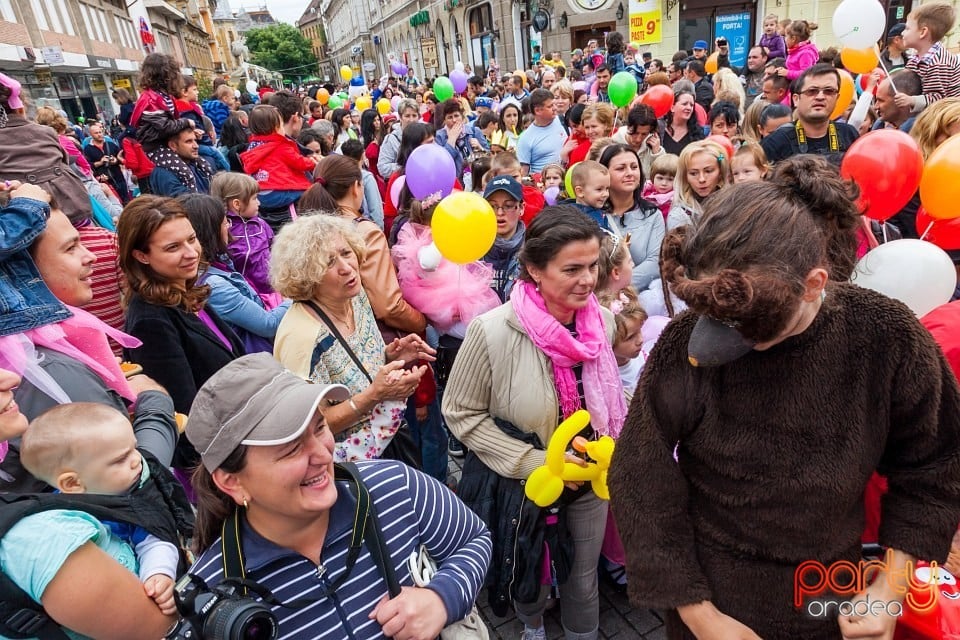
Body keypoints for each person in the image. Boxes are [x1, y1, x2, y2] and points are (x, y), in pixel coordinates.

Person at [608, 180, 960, 640]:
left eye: (746, 327)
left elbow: (934, 469)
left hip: (829, 594)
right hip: (711, 593)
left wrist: (888, 592)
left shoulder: (887, 337)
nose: (714, 339)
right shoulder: (684, 340)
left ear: (813, 285)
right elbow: (639, 473)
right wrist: (700, 617)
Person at [182, 353, 490, 639]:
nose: (322, 454)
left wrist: (442, 597)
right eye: (290, 448)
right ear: (232, 482)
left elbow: (474, 539)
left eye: (319, 428)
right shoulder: (215, 600)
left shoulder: (394, 486)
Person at [443, 205, 625, 640]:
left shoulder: (603, 322)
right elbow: (461, 412)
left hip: (589, 482)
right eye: (572, 269)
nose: (588, 279)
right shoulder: (491, 332)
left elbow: (608, 398)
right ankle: (532, 626)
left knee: (583, 577)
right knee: (528, 573)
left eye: (593, 265)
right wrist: (534, 461)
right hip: (524, 486)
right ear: (533, 270)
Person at [0, 371, 178, 639]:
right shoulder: (43, 536)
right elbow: (160, 631)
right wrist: (156, 402)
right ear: (72, 483)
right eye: (121, 458)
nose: (11, 376)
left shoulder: (54, 505)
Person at [271, 215, 432, 461]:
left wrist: (390, 354)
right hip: (350, 467)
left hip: (389, 437)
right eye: (328, 263)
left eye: (346, 252)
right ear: (307, 275)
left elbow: (355, 362)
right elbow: (309, 428)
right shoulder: (301, 339)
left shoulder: (354, 295)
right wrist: (375, 395)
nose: (346, 267)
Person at [20, 403, 184, 615]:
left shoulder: (134, 498)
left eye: (134, 447)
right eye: (121, 459)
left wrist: (159, 573)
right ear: (72, 484)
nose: (136, 460)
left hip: (142, 597)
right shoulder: (54, 519)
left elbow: (155, 539)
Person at [118, 195, 244, 468]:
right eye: (173, 247)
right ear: (141, 256)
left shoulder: (184, 293)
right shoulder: (151, 322)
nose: (191, 252)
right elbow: (185, 417)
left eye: (192, 239)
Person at [301, 154, 427, 334]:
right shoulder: (365, 232)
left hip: (330, 330)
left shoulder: (309, 229)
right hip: (370, 334)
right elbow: (388, 306)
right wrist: (421, 322)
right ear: (355, 187)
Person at [179, 193, 290, 352]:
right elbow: (267, 325)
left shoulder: (217, 265)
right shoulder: (214, 286)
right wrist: (295, 297)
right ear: (210, 231)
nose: (229, 226)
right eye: (225, 223)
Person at [0, 74, 91, 220]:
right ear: (21, 108)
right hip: (73, 205)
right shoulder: (46, 132)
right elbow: (64, 161)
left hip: (28, 220)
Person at [599, 143, 665, 293]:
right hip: (599, 298)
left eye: (634, 167)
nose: (630, 173)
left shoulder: (652, 215)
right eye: (621, 168)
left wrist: (616, 288)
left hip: (639, 298)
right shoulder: (593, 215)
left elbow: (655, 262)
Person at [761, 64, 859, 164]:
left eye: (829, 91)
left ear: (837, 98)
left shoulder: (849, 135)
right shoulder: (774, 143)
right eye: (812, 91)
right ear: (796, 99)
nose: (820, 97)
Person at [209, 171, 278, 306]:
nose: (259, 203)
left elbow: (275, 248)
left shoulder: (261, 224)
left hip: (271, 289)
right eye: (254, 198)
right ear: (237, 204)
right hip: (245, 295)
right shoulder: (223, 230)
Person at [241, 104, 317, 210]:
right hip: (279, 192)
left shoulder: (253, 146)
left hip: (259, 194)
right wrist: (313, 162)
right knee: (313, 192)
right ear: (277, 127)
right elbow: (299, 162)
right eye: (281, 125)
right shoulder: (280, 145)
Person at [899, 2, 960, 112]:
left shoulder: (939, 64)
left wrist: (911, 100)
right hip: (924, 111)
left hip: (942, 115)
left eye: (907, 28)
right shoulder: (915, 59)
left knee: (907, 126)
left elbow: (937, 99)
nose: (902, 33)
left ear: (923, 32)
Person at [667, 140, 730, 230]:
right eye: (693, 173)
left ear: (720, 172)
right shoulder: (679, 215)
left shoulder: (734, 204)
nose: (701, 179)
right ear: (685, 177)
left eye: (708, 171)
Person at [148, 122, 214, 196]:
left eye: (195, 140)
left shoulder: (200, 165)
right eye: (188, 141)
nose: (196, 146)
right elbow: (183, 202)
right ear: (173, 145)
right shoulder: (164, 173)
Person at [517, 89, 568, 176]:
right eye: (550, 106)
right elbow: (523, 172)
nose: (555, 108)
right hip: (543, 184)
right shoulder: (526, 138)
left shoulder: (561, 120)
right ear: (538, 111)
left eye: (554, 104)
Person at [612, 104, 664, 178]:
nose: (638, 139)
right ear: (628, 126)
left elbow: (663, 175)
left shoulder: (652, 146)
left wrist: (657, 153)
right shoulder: (614, 142)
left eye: (644, 134)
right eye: (635, 133)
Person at [82, 121, 129, 203]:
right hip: (105, 181)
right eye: (96, 133)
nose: (99, 134)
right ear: (91, 135)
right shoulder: (88, 149)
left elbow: (121, 157)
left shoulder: (111, 144)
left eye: (100, 132)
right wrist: (100, 162)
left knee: (126, 200)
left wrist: (116, 160)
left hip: (118, 178)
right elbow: (87, 166)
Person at [378, 98, 420, 179]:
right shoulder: (391, 139)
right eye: (407, 116)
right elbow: (383, 167)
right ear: (400, 117)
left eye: (414, 115)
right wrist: (407, 167)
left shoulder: (425, 135)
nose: (411, 120)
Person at [661, 90, 705, 155]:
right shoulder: (660, 130)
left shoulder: (697, 133)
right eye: (684, 104)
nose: (689, 108)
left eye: (691, 105)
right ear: (672, 108)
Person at [569, 160, 611, 230]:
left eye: (607, 188)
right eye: (599, 189)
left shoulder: (597, 211)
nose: (606, 194)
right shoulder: (577, 220)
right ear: (580, 191)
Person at [642, 153, 677, 220]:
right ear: (653, 177)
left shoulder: (674, 201)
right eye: (660, 178)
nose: (664, 183)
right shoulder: (644, 192)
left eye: (670, 179)